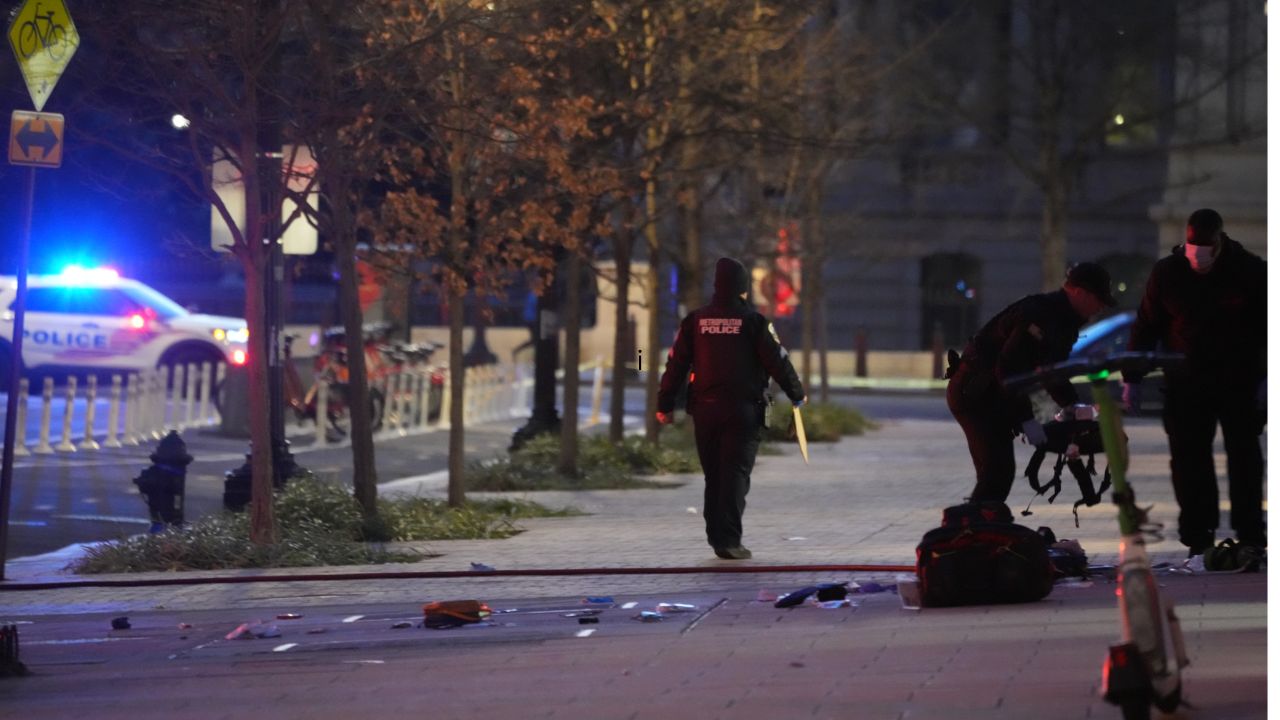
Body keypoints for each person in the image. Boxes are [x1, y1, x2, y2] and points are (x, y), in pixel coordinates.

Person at [1122, 208, 1267, 558]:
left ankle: (1249, 535)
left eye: (1205, 249)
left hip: (1240, 380)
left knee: (1244, 458)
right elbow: (1146, 326)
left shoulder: (1250, 271)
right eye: (1192, 249)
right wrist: (1132, 378)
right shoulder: (1169, 273)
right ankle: (1198, 538)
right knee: (1189, 463)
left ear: (1219, 243)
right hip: (1186, 383)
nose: (1198, 258)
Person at [656, 257, 806, 560]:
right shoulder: (754, 322)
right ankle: (729, 540)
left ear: (716, 286)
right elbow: (777, 361)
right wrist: (797, 395)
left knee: (714, 475)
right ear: (743, 289)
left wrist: (665, 404)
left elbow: (675, 364)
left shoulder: (695, 321)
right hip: (743, 411)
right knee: (735, 474)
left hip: (705, 411)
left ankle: (717, 537)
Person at [945, 262, 1116, 503]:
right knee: (997, 472)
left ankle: (982, 525)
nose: (1100, 308)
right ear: (1079, 292)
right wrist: (1032, 425)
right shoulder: (1041, 314)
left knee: (996, 474)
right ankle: (973, 529)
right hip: (976, 394)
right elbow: (1010, 372)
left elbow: (1052, 375)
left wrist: (1075, 409)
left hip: (993, 395)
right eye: (1099, 300)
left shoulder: (1064, 324)